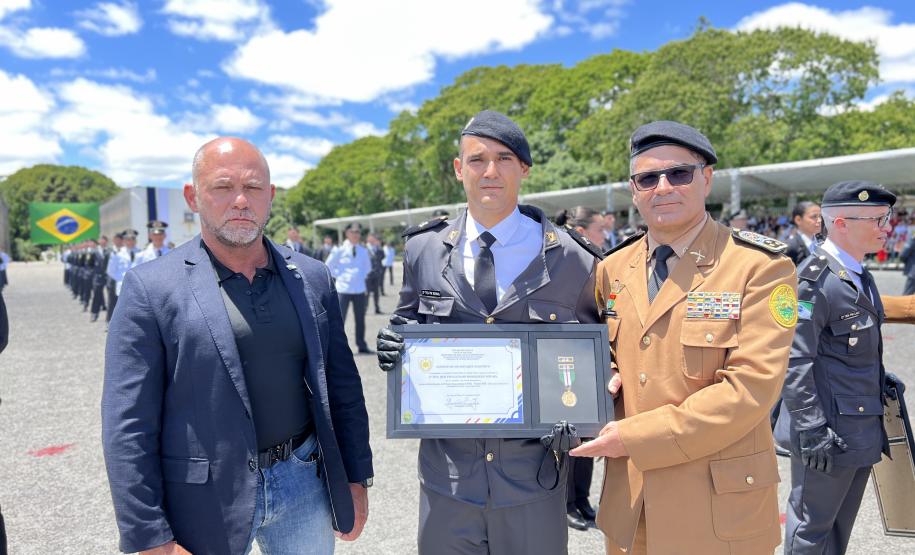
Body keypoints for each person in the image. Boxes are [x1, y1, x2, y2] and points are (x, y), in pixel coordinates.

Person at [102, 137, 373, 555]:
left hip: (304, 482)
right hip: (206, 497)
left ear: (271, 196)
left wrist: (356, 477)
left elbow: (342, 386)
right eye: (223, 187)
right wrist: (150, 535)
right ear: (194, 196)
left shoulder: (313, 276)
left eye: (254, 187)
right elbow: (128, 424)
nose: (241, 200)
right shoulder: (150, 288)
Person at [376, 110, 602, 554]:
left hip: (532, 482)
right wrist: (394, 346)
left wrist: (580, 422)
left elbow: (595, 356)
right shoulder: (423, 249)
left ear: (524, 169)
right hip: (448, 483)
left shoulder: (573, 258)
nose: (491, 171)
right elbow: (409, 321)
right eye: (477, 160)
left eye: (505, 158)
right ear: (459, 170)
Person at [570, 120, 797, 554]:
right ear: (633, 190)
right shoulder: (612, 268)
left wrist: (635, 437)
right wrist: (601, 376)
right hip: (630, 504)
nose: (663, 187)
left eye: (679, 173)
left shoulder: (759, 267)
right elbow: (608, 351)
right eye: (647, 178)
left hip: (714, 511)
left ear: (706, 178)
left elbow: (751, 389)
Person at [774, 181, 897, 554]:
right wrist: (811, 427)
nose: (886, 227)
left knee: (839, 528)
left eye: (886, 218)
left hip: (859, 427)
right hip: (826, 431)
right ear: (841, 222)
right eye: (877, 219)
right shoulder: (812, 280)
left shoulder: (859, 274)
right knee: (811, 530)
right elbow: (794, 359)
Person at [325, 222, 373, 353]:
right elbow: (328, 266)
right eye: (353, 232)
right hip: (343, 289)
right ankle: (336, 347)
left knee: (360, 319)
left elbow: (367, 268)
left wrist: (358, 277)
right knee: (339, 320)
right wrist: (341, 276)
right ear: (347, 233)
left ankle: (361, 345)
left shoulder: (363, 251)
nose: (356, 235)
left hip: (359, 289)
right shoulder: (338, 250)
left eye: (358, 232)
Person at [785, 201, 822, 266]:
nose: (819, 220)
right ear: (798, 220)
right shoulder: (790, 247)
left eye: (820, 216)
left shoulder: (823, 242)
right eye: (814, 216)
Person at [365, 233, 385, 314]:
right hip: (367, 275)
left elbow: (383, 256)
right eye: (371, 238)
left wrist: (378, 246)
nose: (372, 240)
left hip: (376, 274)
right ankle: (364, 309)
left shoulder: (379, 249)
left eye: (374, 238)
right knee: (367, 293)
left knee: (377, 292)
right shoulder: (364, 248)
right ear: (368, 239)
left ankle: (377, 308)